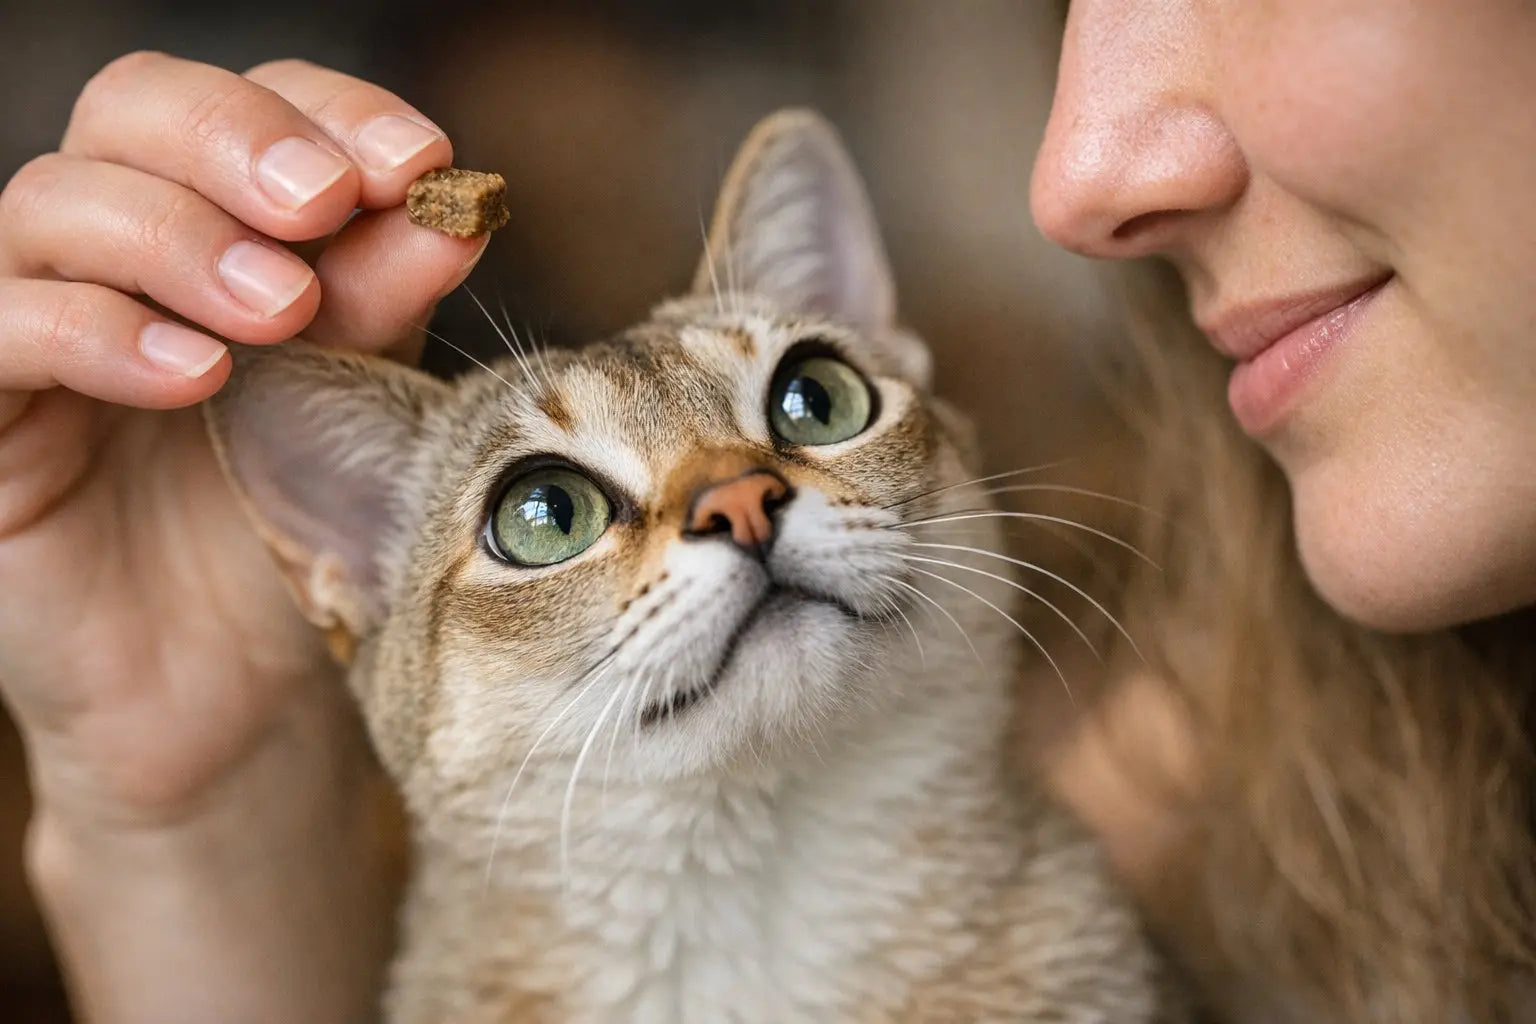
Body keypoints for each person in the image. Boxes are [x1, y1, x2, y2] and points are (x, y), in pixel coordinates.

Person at [1, 0, 1533, 1017]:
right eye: (547, 510)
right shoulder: (1288, 814)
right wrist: (190, 810)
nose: (742, 503)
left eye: (815, 402)